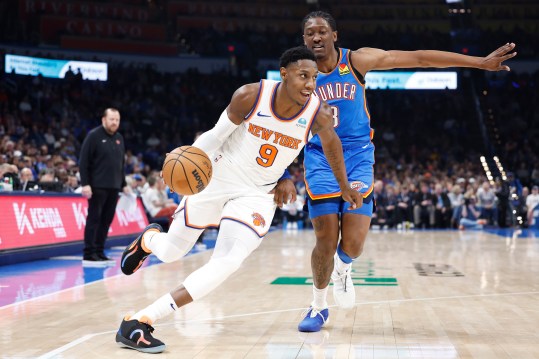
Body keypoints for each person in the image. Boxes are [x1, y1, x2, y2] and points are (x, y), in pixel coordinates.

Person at [114, 46, 362, 354]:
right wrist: (185, 159)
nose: (310, 84)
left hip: (258, 194)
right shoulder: (250, 96)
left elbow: (332, 146)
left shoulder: (317, 113)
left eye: (313, 77)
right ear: (284, 74)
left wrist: (342, 185)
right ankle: (150, 239)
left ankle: (141, 320)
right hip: (217, 177)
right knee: (171, 252)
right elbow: (215, 136)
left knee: (229, 261)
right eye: (303, 76)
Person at [298, 10, 517, 332]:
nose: (315, 37)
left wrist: (479, 63)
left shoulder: (357, 61)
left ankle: (343, 270)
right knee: (325, 238)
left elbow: (420, 58)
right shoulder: (300, 73)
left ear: (334, 35)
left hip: (357, 156)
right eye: (309, 33)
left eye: (321, 32)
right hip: (320, 157)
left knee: (353, 245)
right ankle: (318, 307)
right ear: (303, 39)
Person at [79, 108, 126, 264]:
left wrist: (123, 183)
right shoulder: (94, 136)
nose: (114, 122)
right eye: (112, 119)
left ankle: (99, 251)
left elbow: (121, 164)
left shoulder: (119, 138)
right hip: (97, 186)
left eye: (117, 120)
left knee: (106, 220)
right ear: (103, 120)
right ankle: (89, 252)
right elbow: (83, 162)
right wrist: (85, 184)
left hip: (114, 187)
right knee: (94, 219)